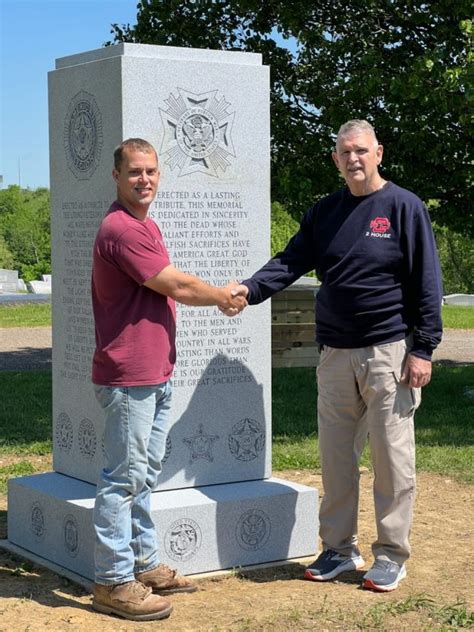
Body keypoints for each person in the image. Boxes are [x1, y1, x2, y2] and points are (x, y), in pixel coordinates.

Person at [227, 120, 442, 592]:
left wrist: (422, 348)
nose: (353, 159)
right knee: (336, 458)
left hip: (388, 353)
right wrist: (249, 288)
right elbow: (290, 261)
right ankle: (339, 549)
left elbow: (427, 282)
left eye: (361, 151)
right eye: (345, 152)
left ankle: (391, 555)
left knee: (392, 459)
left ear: (379, 153)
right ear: (335, 159)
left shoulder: (404, 207)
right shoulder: (324, 212)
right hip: (335, 354)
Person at [91, 138, 246, 621]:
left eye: (152, 171)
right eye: (135, 172)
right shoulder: (122, 229)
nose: (145, 180)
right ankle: (114, 581)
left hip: (153, 372)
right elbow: (174, 284)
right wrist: (222, 295)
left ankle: (143, 563)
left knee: (143, 475)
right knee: (122, 479)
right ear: (116, 176)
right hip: (129, 376)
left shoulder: (145, 224)